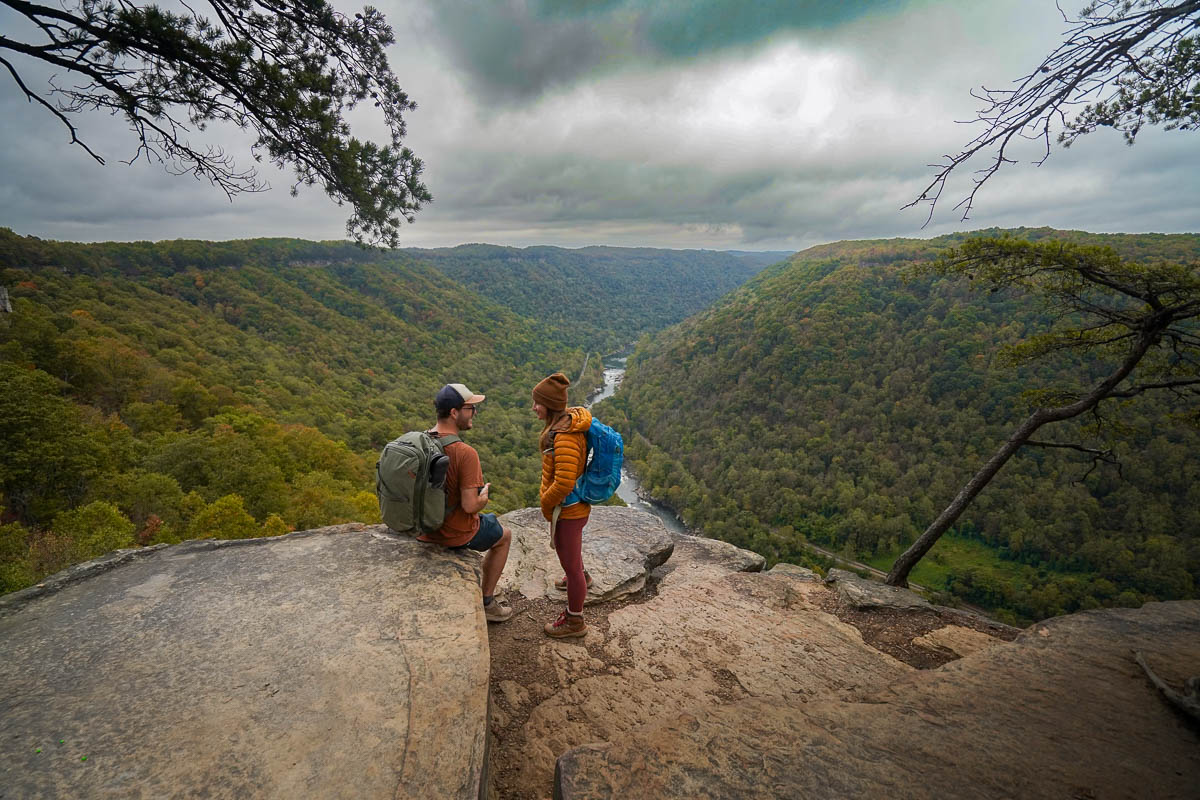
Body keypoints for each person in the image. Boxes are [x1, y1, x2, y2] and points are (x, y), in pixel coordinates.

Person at [419, 382, 513, 623]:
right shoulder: (465, 452)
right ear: (454, 412)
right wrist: (483, 498)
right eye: (471, 408)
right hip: (454, 533)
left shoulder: (420, 442)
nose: (474, 413)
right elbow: (470, 506)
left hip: (422, 529)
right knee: (504, 536)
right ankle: (488, 601)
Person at [532, 372, 593, 638]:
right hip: (571, 509)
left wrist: (546, 503)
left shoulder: (565, 435)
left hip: (568, 511)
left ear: (550, 405)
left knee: (570, 562)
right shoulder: (560, 428)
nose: (534, 407)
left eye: (537, 403)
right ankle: (580, 576)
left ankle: (575, 621)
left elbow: (565, 482)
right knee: (571, 558)